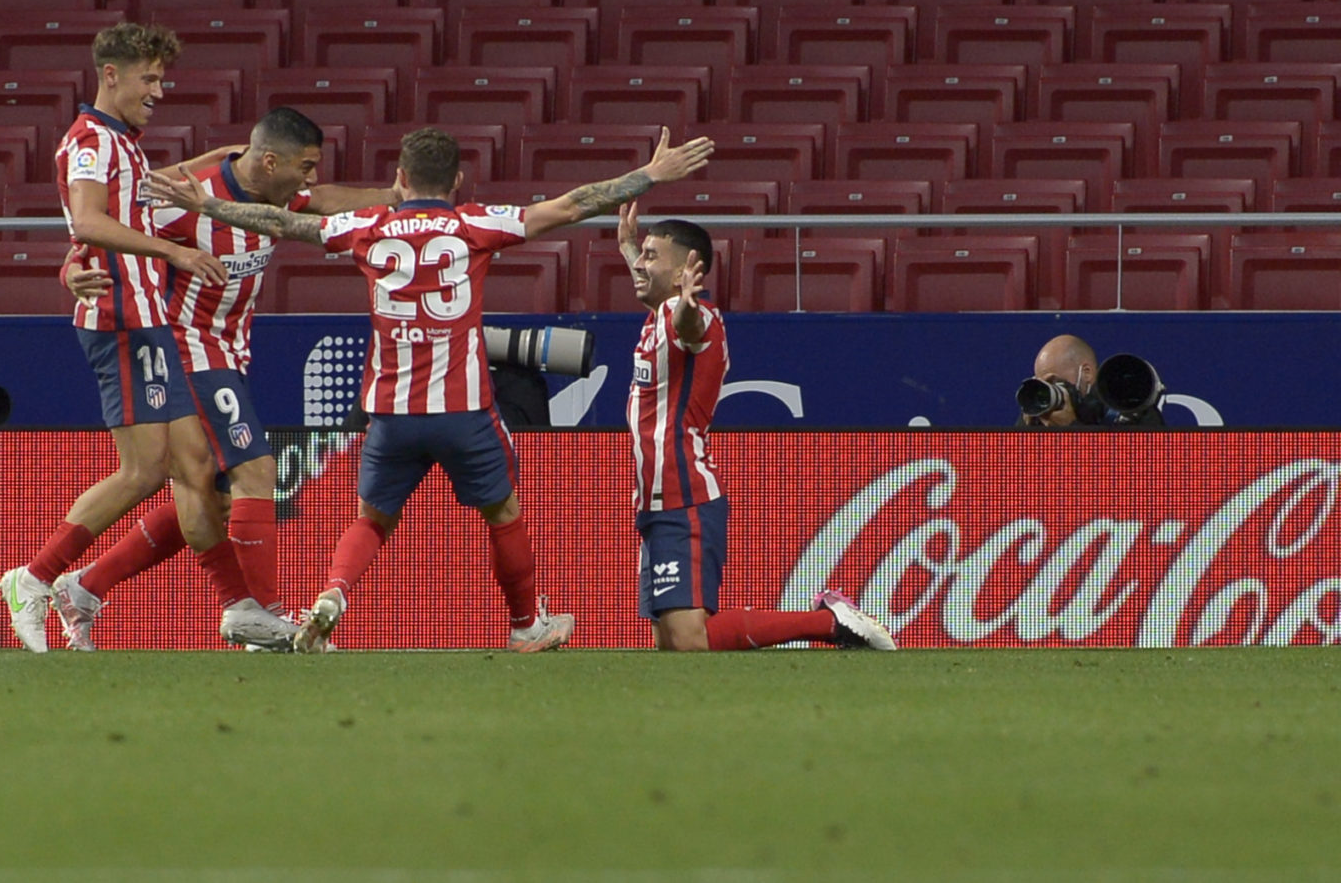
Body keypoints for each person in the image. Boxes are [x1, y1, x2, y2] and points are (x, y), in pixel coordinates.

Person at [148, 124, 715, 654]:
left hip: (390, 410)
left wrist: (211, 206)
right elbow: (574, 204)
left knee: (372, 517)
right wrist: (651, 175)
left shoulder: (367, 226)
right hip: (464, 409)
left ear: (400, 179)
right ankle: (525, 626)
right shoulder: (473, 224)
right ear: (457, 182)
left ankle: (331, 597)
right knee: (503, 513)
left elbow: (287, 224)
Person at [47, 106, 400, 651]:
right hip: (184, 346)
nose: (309, 177)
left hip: (229, 352)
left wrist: (394, 197)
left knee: (205, 493)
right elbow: (102, 233)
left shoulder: (277, 199)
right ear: (268, 160)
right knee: (255, 470)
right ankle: (264, 619)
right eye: (304, 166)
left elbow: (327, 200)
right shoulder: (187, 197)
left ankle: (85, 588)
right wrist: (70, 271)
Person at [0, 22, 249, 654]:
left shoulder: (123, 144)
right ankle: (35, 578)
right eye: (149, 77)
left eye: (162, 77)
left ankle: (233, 608)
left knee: (194, 465)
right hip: (122, 322)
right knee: (144, 470)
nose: (159, 90)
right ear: (111, 75)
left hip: (147, 321)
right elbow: (86, 218)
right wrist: (173, 252)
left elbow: (124, 204)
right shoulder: (91, 142)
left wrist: (220, 160)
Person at [614, 199, 894, 653]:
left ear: (689, 268)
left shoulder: (693, 315)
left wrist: (685, 302)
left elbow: (688, 324)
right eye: (640, 256)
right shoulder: (657, 315)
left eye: (650, 256)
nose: (638, 265)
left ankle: (828, 622)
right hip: (654, 501)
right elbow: (659, 292)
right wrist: (630, 248)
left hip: (683, 496)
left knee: (689, 641)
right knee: (668, 644)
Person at [1018, 333, 1113, 429]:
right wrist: (1027, 429)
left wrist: (1071, 427)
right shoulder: (1040, 412)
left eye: (1054, 382)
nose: (1049, 391)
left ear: (1086, 373)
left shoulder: (1118, 409)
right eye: (1043, 384)